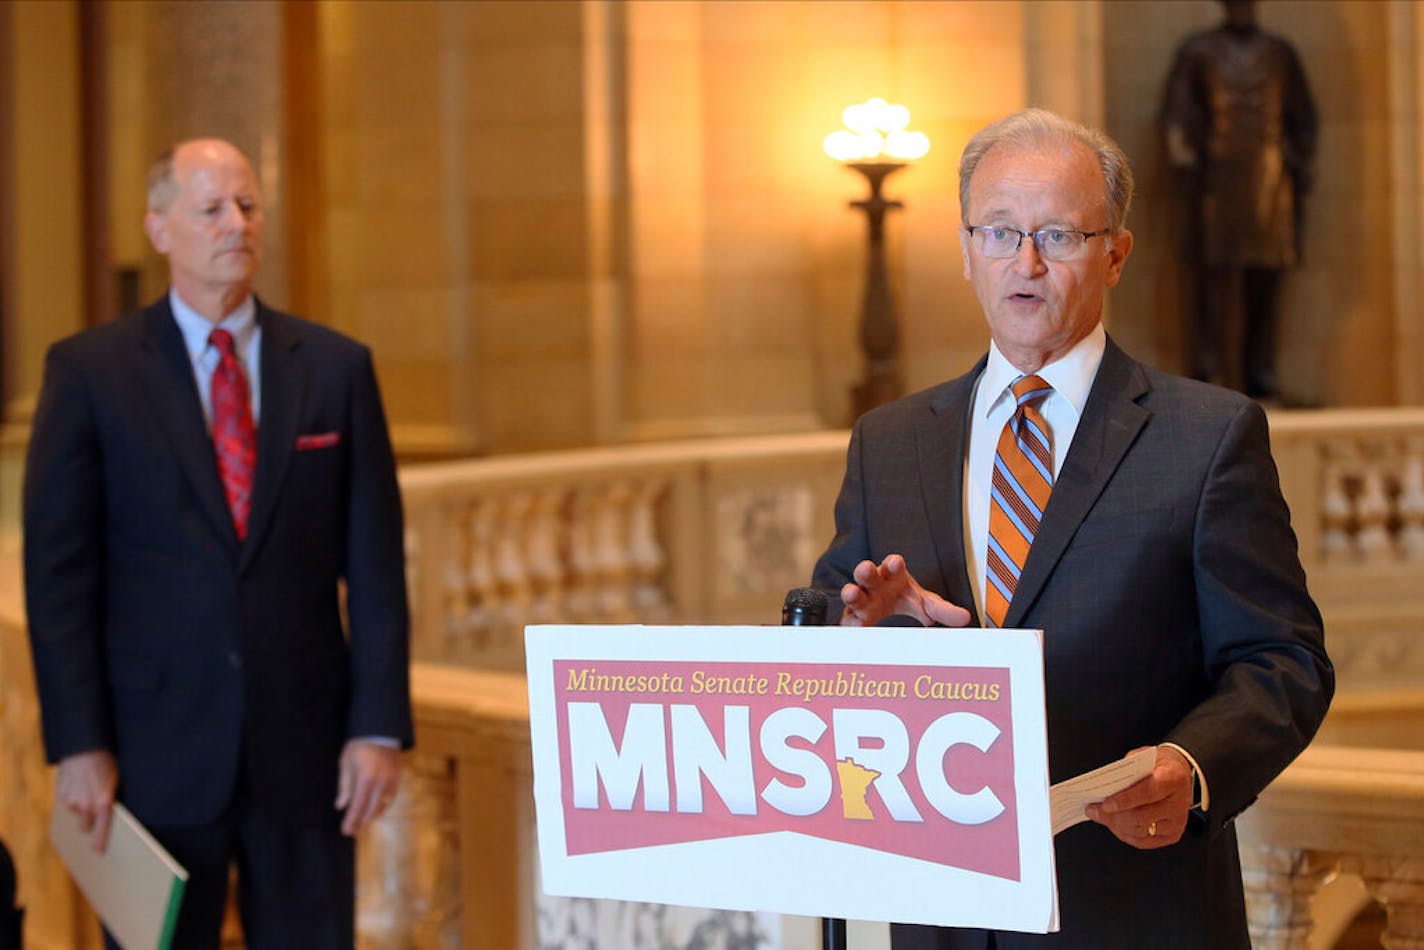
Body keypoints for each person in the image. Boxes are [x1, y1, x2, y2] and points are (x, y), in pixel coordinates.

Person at [810, 109, 1333, 948]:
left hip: (1130, 909)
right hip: (944, 913)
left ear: (1115, 254)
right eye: (1001, 232)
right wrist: (855, 627)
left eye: (1058, 235)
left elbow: (1283, 663)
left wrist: (1190, 768)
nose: (1025, 263)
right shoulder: (891, 440)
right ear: (965, 248)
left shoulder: (1206, 436)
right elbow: (813, 634)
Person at [23, 139, 412, 948]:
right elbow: (60, 579)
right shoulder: (90, 373)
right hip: (149, 756)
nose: (235, 224)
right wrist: (80, 743)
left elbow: (374, 569)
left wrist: (377, 728)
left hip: (306, 758)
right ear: (159, 230)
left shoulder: (337, 370)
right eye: (210, 209)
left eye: (247, 205)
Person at [1161, 0, 1318, 401]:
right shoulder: (1198, 51)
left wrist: (1299, 162)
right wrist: (1184, 159)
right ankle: (1209, 371)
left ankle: (1260, 375)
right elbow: (1177, 115)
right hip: (1217, 183)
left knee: (1265, 283)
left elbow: (1303, 116)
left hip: (1270, 185)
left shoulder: (1280, 53)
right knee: (1212, 283)